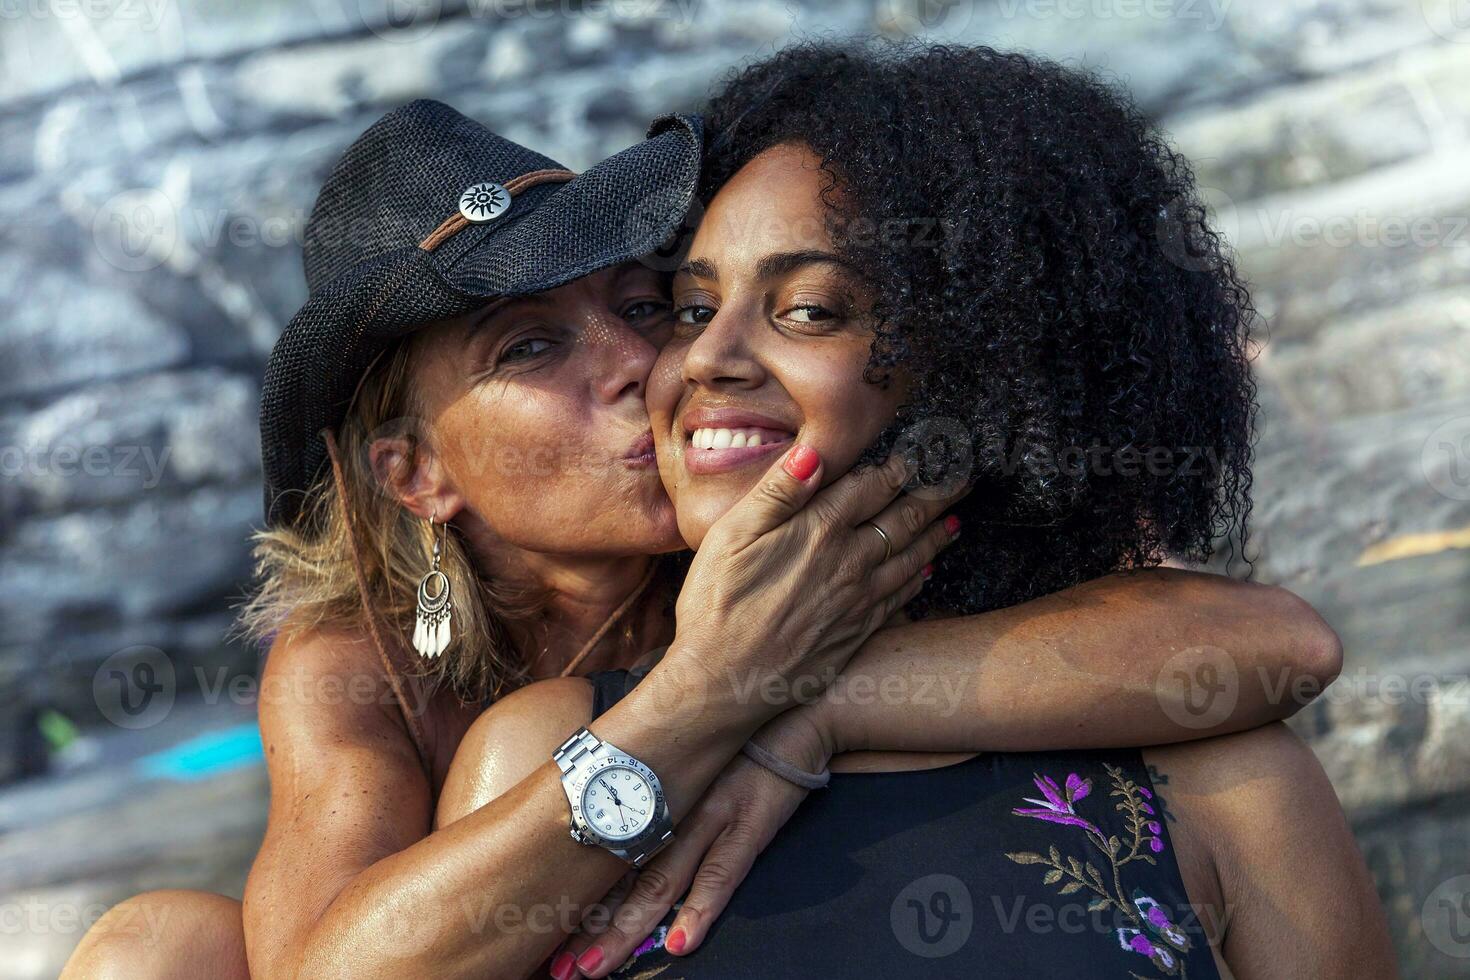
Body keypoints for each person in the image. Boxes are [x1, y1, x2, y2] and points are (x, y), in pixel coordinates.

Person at [62, 94, 1340, 980]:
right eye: (533, 346)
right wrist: (706, 695)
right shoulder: (363, 663)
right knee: (154, 945)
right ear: (414, 469)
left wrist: (809, 696)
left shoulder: (774, 522)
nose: (646, 366)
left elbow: (1261, 639)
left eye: (642, 304)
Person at [438, 43, 1394, 978]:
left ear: (987, 370)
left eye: (809, 309)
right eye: (691, 309)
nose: (705, 359)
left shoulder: (1225, 782)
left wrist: (808, 699)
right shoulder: (537, 755)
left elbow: (1289, 643)